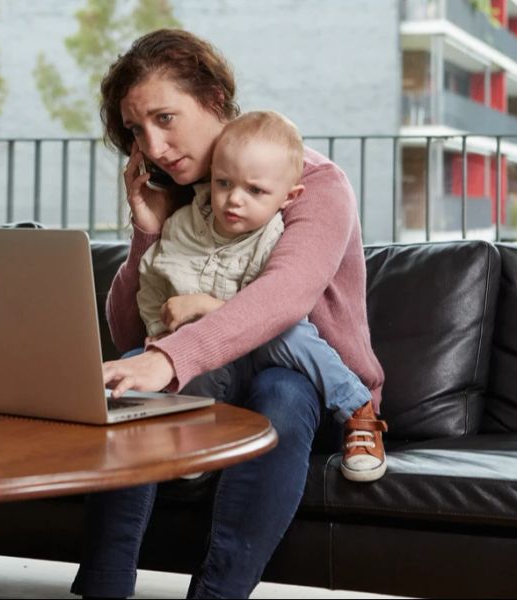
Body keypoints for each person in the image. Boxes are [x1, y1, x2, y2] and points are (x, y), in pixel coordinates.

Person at [72, 29, 385, 600]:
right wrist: (149, 231)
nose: (155, 146)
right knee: (131, 380)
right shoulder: (186, 198)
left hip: (304, 382)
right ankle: (102, 589)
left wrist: (169, 358)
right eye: (138, 131)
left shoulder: (312, 185)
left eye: (165, 118)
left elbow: (283, 299)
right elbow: (129, 333)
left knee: (283, 390)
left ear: (214, 98)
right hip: (209, 384)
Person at [135, 110, 376, 444]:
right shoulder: (182, 225)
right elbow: (151, 284)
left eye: (255, 191)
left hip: (265, 353)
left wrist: (206, 307)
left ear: (289, 197)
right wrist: (157, 332)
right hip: (212, 360)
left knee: (292, 334)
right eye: (223, 183)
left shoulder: (275, 236)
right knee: (147, 364)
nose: (234, 199)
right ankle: (191, 444)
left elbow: (271, 314)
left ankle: (356, 407)